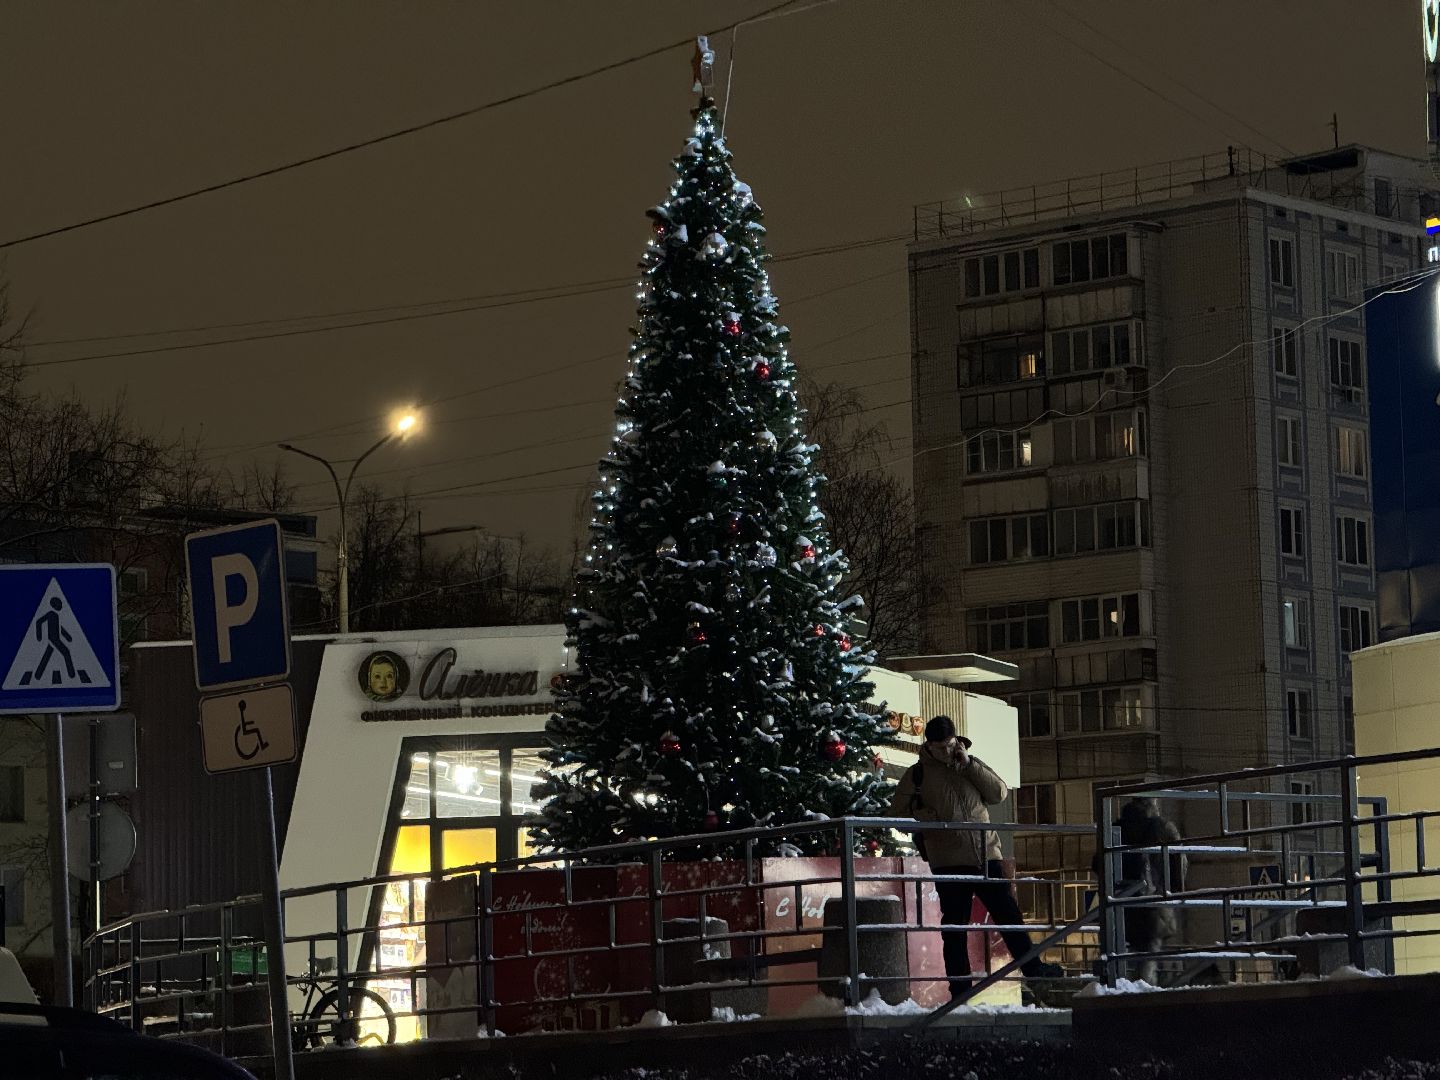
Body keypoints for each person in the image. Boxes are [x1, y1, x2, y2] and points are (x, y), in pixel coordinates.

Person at [889, 715, 1062, 999]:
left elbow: (999, 793)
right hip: (948, 860)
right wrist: (927, 818)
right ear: (928, 746)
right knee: (955, 925)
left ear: (956, 740)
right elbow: (896, 814)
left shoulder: (970, 764)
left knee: (1008, 914)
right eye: (939, 747)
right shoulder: (917, 774)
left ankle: (1033, 969)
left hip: (986, 855)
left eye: (949, 745)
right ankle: (960, 988)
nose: (945, 752)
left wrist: (968, 765)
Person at [1099, 797, 1187, 985]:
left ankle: (1119, 990)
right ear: (1152, 806)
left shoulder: (1116, 827)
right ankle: (1143, 994)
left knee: (1119, 953)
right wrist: (1175, 889)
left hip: (1120, 901)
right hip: (1154, 900)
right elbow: (1179, 861)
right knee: (1149, 955)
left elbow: (1097, 863)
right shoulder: (1161, 826)